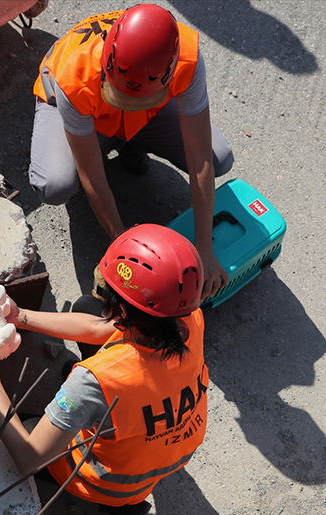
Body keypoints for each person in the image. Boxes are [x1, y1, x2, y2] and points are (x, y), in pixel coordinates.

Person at [0, 224, 210, 515]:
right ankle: (118, 479)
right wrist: (19, 316)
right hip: (168, 450)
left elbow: (27, 458)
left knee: (19, 428)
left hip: (110, 481)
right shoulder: (188, 318)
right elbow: (99, 328)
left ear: (124, 312)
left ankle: (116, 500)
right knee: (87, 309)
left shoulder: (95, 380)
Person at [29, 4, 234, 300]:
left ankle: (129, 141)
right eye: (121, 96)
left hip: (143, 108)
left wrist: (205, 247)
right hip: (70, 99)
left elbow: (200, 156)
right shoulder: (74, 75)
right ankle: (115, 138)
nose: (125, 103)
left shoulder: (185, 56)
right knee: (55, 184)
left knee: (218, 156)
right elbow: (94, 176)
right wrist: (128, 249)